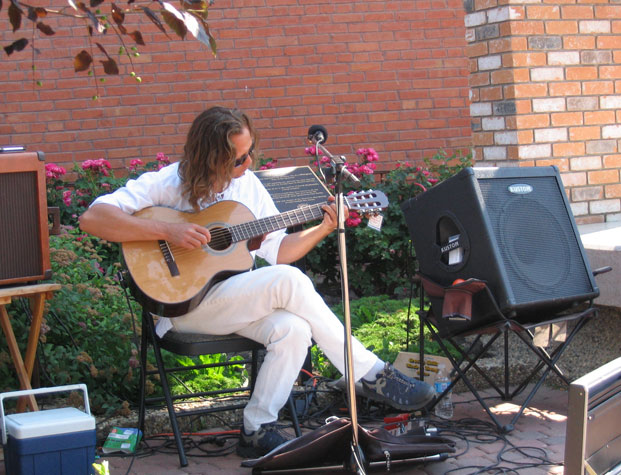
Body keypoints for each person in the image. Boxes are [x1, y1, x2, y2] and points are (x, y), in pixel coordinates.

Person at [79, 106, 435, 458]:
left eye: (250, 153)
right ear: (209, 158)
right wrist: (168, 229)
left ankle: (256, 428)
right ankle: (371, 373)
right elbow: (93, 218)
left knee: (294, 328)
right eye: (237, 160)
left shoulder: (248, 187)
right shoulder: (167, 183)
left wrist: (325, 226)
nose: (247, 165)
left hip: (233, 299)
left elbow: (280, 250)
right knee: (290, 281)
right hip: (181, 305)